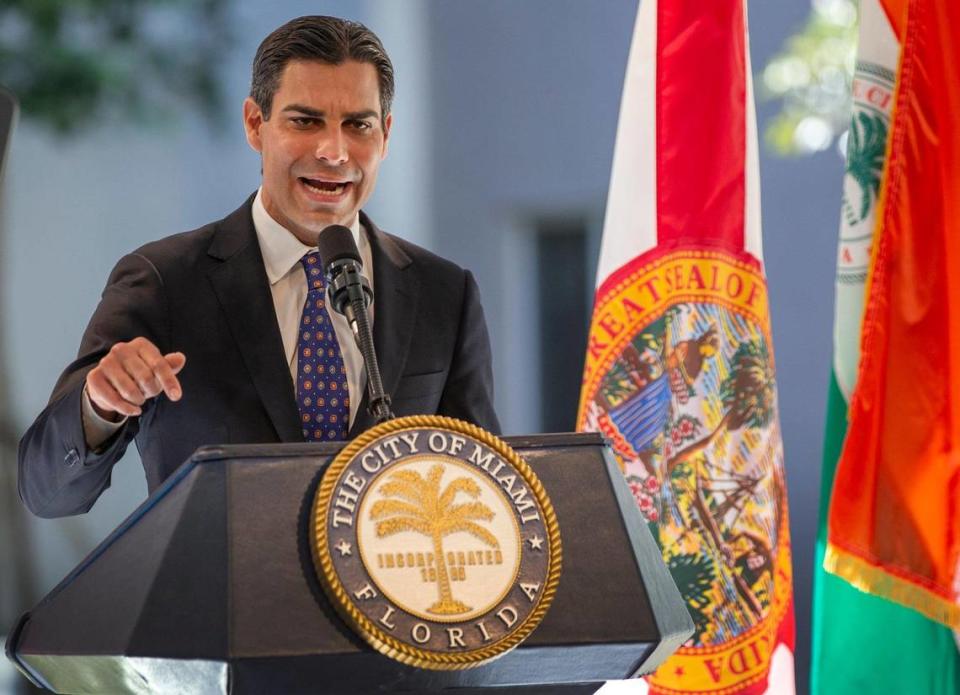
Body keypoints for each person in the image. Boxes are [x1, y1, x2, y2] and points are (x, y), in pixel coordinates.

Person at [17, 16, 500, 519]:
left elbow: (484, 492)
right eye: (305, 121)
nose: (334, 152)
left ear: (386, 134)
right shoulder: (164, 280)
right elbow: (47, 491)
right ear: (255, 124)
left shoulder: (446, 293)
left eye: (358, 125)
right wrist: (99, 408)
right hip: (216, 594)